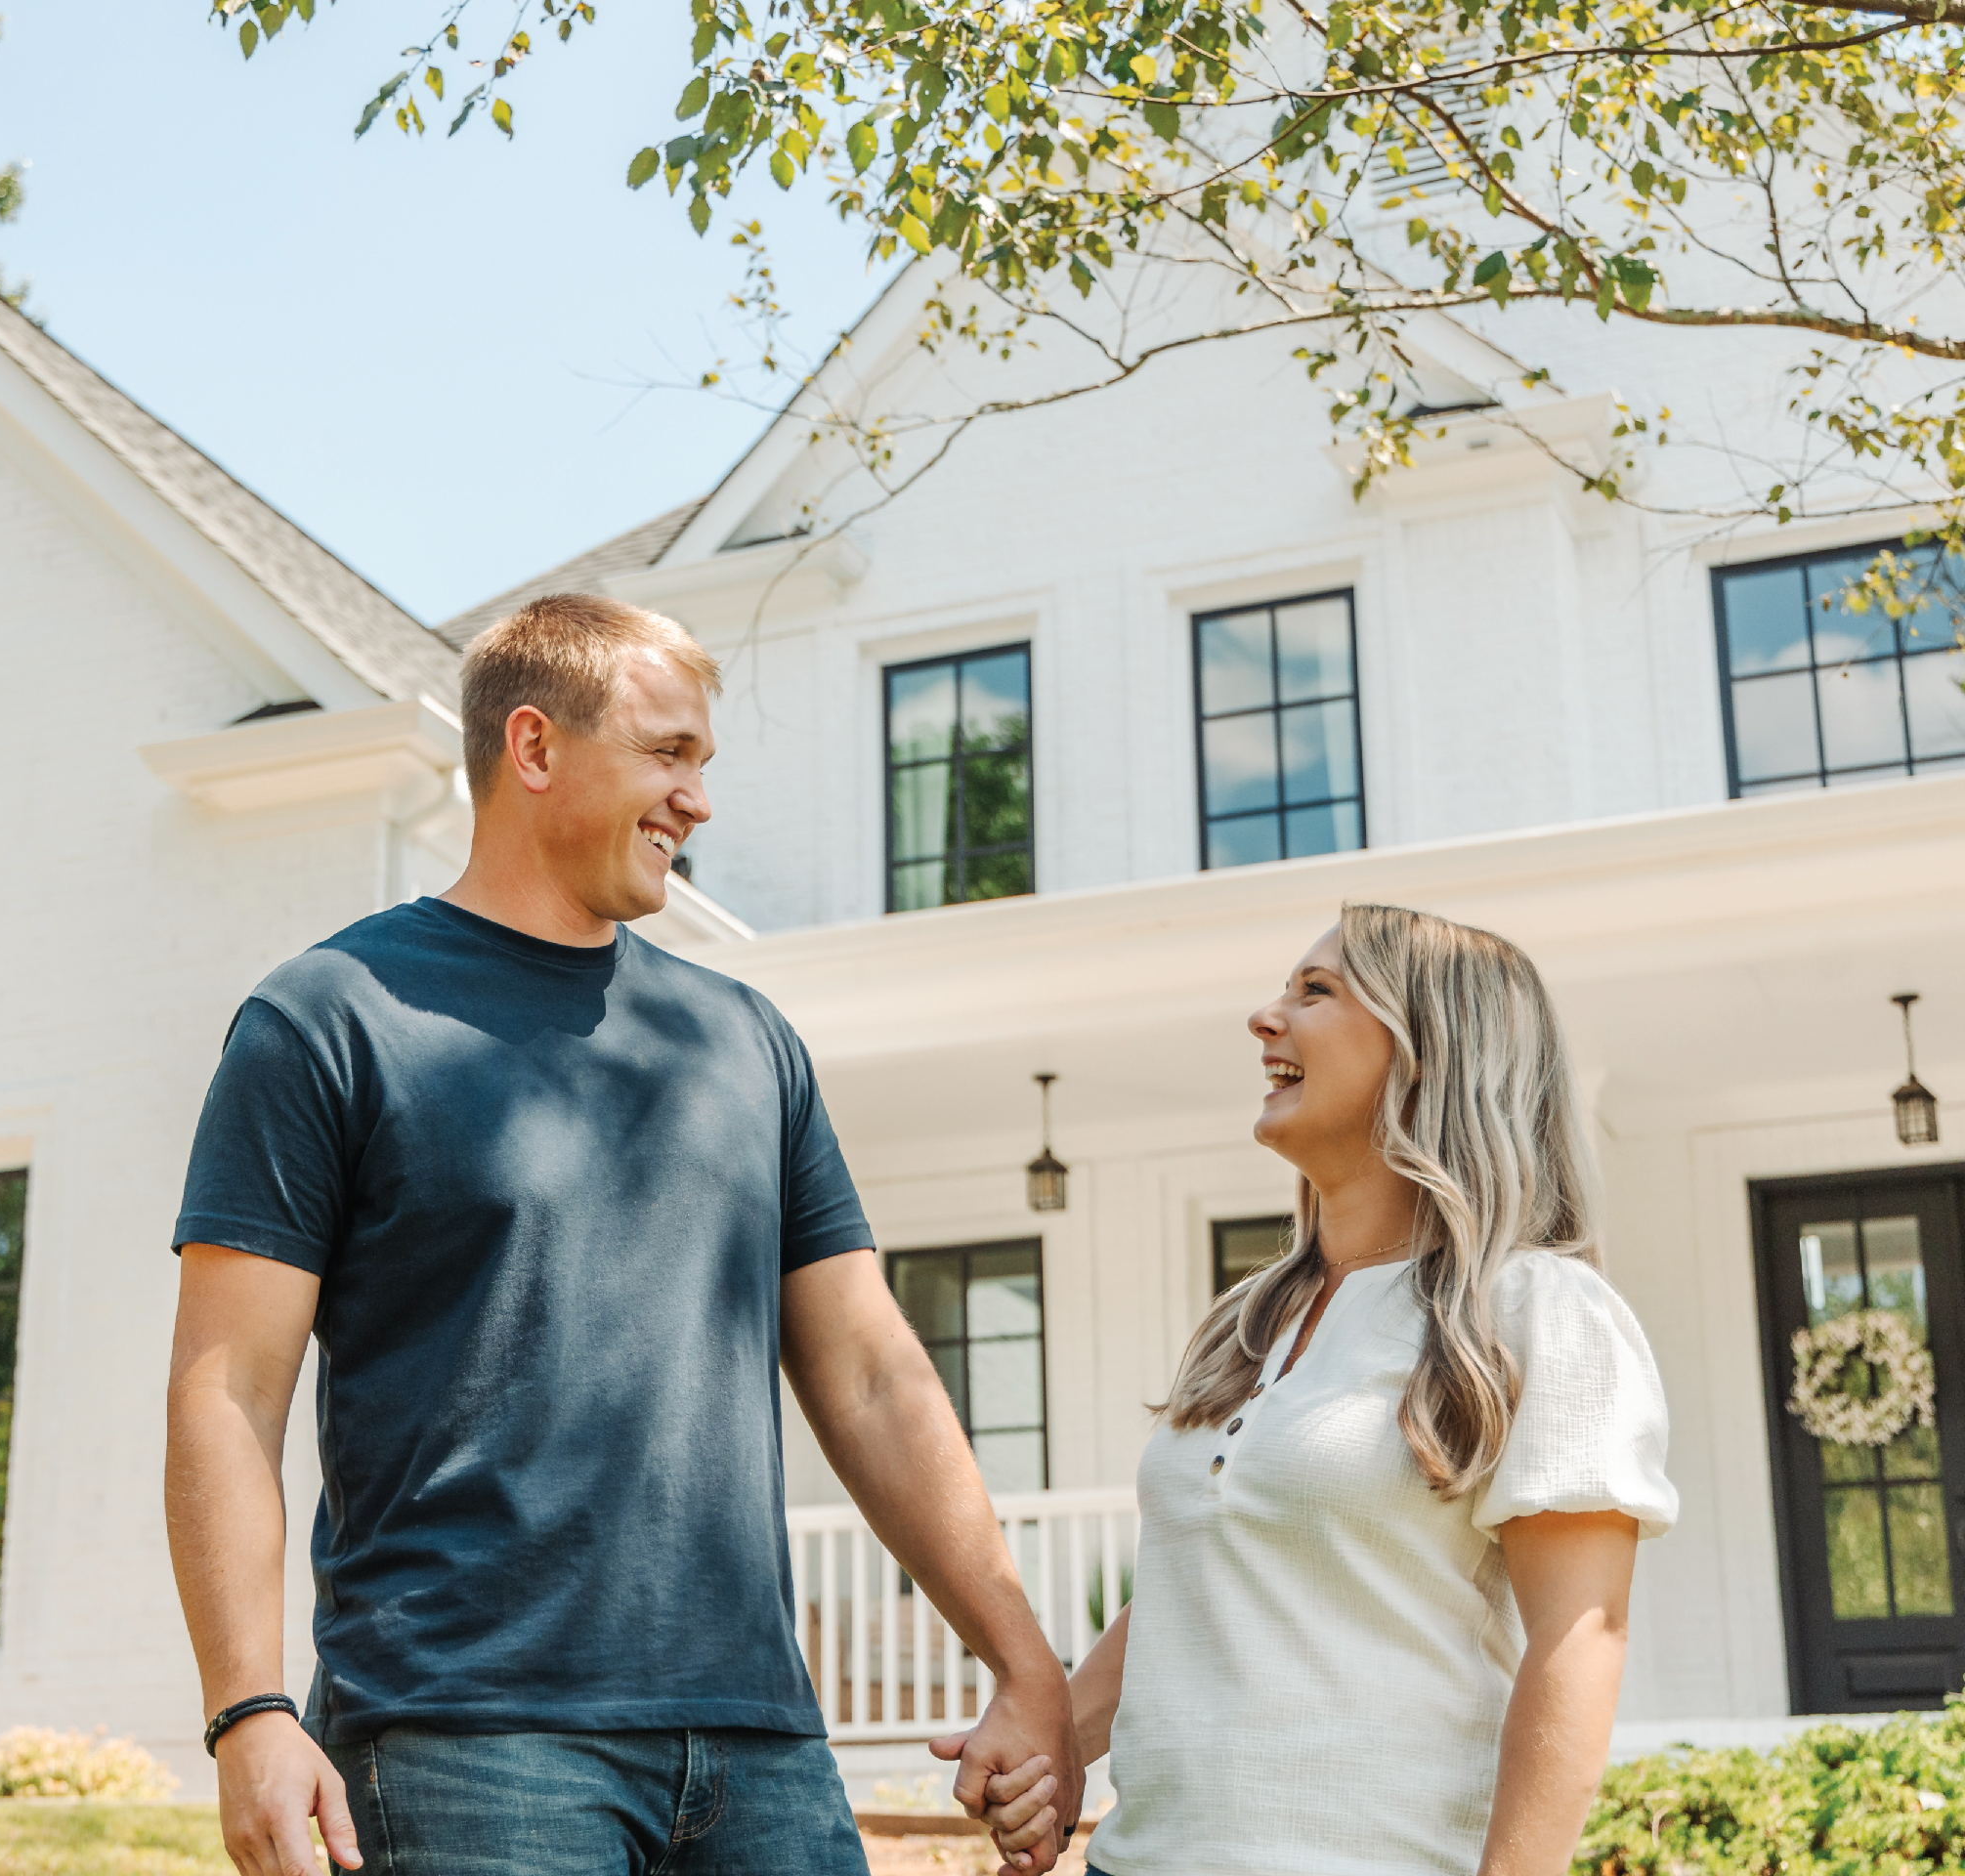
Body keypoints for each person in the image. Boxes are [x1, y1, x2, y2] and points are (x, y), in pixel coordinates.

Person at [163, 593, 1083, 1876]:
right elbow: (228, 1392)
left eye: (703, 762)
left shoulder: (746, 1041)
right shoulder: (329, 1020)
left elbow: (875, 1373)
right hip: (465, 1738)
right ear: (533, 749)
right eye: (669, 753)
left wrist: (1024, 1662)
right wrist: (248, 1711)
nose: (697, 800)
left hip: (759, 1746)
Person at [977, 904, 1676, 1875]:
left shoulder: (1537, 1312)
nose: (1265, 1019)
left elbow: (1580, 1635)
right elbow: (1204, 1584)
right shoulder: (1247, 1319)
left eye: (1316, 992)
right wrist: (1057, 1737)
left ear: (1430, 1050)